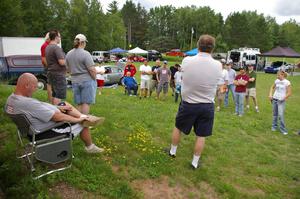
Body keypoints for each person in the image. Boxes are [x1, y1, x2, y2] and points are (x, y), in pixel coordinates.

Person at [5, 73, 104, 153]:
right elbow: (57, 117)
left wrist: (56, 107)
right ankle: (90, 145)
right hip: (46, 132)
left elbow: (38, 108)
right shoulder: (27, 103)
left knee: (63, 104)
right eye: (35, 87)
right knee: (83, 123)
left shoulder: (12, 99)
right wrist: (78, 120)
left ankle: (84, 116)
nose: (35, 89)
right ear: (26, 85)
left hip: (30, 130)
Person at [168, 35, 222, 169]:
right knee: (201, 135)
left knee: (178, 127)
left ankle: (172, 152)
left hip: (189, 103)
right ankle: (195, 162)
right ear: (212, 48)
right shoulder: (218, 65)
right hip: (207, 105)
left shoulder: (187, 61)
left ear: (198, 46)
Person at [66, 34, 97, 115]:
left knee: (79, 103)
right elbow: (92, 69)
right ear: (82, 43)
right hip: (86, 80)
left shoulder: (69, 54)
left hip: (75, 81)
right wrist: (94, 78)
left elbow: (67, 69)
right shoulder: (86, 53)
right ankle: (84, 123)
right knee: (86, 103)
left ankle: (78, 123)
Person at [45, 30, 66, 105]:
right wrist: (69, 62)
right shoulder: (56, 48)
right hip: (58, 74)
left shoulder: (47, 47)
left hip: (51, 73)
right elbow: (62, 62)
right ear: (56, 37)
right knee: (59, 95)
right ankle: (57, 113)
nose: (60, 38)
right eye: (59, 37)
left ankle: (53, 111)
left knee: (54, 94)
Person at [269, 70, 292, 135]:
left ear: (282, 75)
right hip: (274, 99)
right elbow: (272, 87)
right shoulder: (276, 81)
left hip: (281, 101)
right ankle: (274, 127)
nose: (277, 76)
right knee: (274, 114)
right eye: (277, 75)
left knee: (281, 115)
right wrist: (270, 94)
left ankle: (283, 129)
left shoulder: (287, 82)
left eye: (278, 75)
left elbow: (289, 93)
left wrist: (283, 98)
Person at [40, 32, 52, 102]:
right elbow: (43, 59)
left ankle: (52, 100)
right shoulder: (45, 45)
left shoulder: (49, 45)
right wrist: (49, 67)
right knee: (50, 84)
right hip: (49, 67)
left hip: (50, 67)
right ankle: (50, 100)